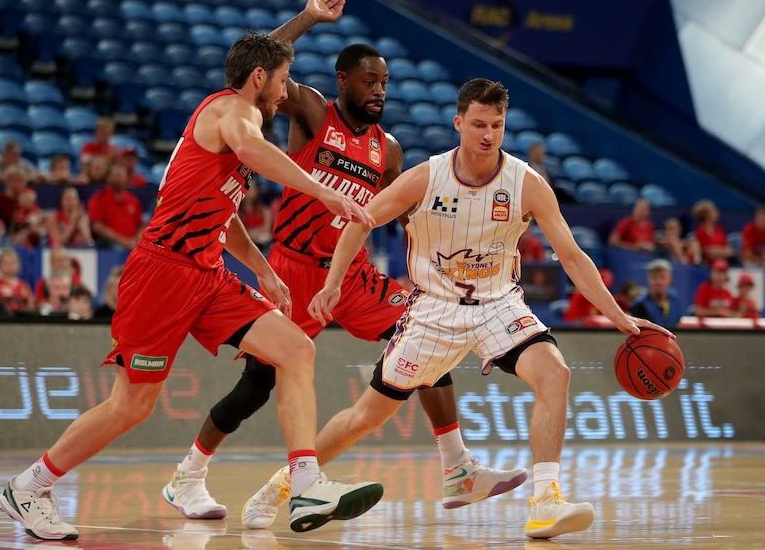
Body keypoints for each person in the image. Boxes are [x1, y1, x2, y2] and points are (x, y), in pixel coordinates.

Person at [0, 9, 382, 541]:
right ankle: (29, 486)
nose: (284, 93)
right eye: (282, 80)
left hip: (206, 272)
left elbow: (225, 213)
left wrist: (264, 271)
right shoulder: (232, 112)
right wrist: (325, 189)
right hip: (161, 271)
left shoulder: (242, 119)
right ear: (258, 79)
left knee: (297, 350)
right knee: (131, 405)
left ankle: (308, 481)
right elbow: (252, 147)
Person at [165, 0, 525, 529]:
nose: (379, 90)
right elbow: (259, 71)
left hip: (350, 276)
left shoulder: (391, 151)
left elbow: (400, 218)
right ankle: (188, 474)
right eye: (368, 81)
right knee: (256, 386)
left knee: (426, 333)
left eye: (384, 82)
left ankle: (458, 468)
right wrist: (309, 18)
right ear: (342, 81)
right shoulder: (312, 111)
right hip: (292, 269)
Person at [266, 78, 671, 540]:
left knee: (555, 373)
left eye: (496, 125)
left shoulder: (526, 183)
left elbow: (573, 257)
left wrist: (617, 315)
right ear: (458, 123)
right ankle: (285, 484)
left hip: (498, 304)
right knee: (364, 418)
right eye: (478, 124)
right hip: (434, 311)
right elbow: (360, 222)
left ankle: (545, 503)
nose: (488, 134)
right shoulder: (425, 176)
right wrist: (334, 282)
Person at [87, 162, 144, 250]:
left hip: (131, 242)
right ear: (109, 178)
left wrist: (137, 239)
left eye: (122, 176)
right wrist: (123, 241)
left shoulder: (133, 200)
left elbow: (140, 225)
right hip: (109, 243)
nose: (120, 179)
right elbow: (96, 226)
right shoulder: (99, 198)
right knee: (116, 247)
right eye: (117, 175)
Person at [692, 199, 736, 265]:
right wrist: (722, 251)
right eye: (714, 211)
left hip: (723, 263)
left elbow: (730, 251)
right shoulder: (701, 231)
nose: (717, 212)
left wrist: (717, 251)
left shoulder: (719, 230)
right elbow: (709, 253)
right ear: (707, 215)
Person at [0, 247, 35, 314]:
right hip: (2, 319)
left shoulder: (24, 285)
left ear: (18, 265)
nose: (10, 267)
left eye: (13, 263)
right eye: (6, 264)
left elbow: (31, 306)